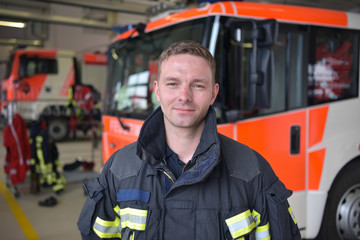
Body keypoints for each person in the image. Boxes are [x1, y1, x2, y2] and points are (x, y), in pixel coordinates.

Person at [77, 40, 301, 240]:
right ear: (157, 90)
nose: (184, 96)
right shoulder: (119, 170)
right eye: (173, 83)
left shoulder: (252, 171)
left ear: (213, 93)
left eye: (197, 85)